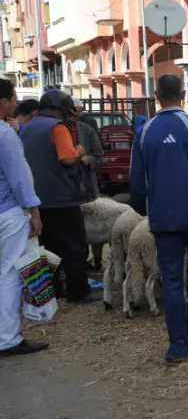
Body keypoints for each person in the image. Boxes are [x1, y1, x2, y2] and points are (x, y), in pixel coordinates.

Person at [129, 73, 188, 366]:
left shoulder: (144, 132)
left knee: (170, 279)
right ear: (182, 95)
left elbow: (136, 182)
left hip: (162, 219)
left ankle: (176, 347)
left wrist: (145, 209)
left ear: (156, 96)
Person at [19, 89, 93, 302]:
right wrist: (79, 150)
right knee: (74, 247)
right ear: (60, 108)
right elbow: (67, 159)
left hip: (36, 200)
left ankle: (52, 292)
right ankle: (78, 292)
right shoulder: (57, 127)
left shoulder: (28, 127)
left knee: (46, 249)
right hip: (62, 199)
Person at [0, 78, 48, 356]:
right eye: (13, 98)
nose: (16, 103)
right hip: (7, 211)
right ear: (3, 101)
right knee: (10, 273)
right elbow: (19, 177)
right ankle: (7, 338)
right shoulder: (5, 135)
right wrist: (34, 211)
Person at [71, 97, 103, 202]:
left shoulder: (87, 130)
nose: (75, 115)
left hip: (85, 181)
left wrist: (89, 159)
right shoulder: (57, 129)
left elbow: (98, 154)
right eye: (72, 111)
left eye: (78, 112)